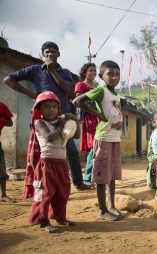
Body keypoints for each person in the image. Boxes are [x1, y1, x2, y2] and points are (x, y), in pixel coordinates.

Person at [3, 41, 92, 196]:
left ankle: (77, 182)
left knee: (70, 150)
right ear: (42, 55)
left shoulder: (64, 72)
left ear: (58, 54)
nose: (50, 55)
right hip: (42, 119)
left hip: (63, 118)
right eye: (47, 52)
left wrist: (53, 72)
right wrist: (33, 95)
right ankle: (40, 185)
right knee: (41, 152)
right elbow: (8, 80)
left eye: (53, 52)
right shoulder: (34, 70)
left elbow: (71, 92)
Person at [73, 60, 123, 221]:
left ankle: (112, 206)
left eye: (117, 74)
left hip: (114, 139)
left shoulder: (115, 94)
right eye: (110, 74)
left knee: (112, 175)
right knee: (102, 177)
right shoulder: (100, 90)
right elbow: (77, 101)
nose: (114, 77)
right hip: (103, 139)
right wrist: (98, 114)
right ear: (102, 76)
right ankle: (102, 210)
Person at [29, 91, 79, 233]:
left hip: (62, 164)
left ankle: (60, 217)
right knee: (45, 192)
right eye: (46, 107)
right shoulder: (39, 123)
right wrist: (61, 124)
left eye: (54, 107)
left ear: (58, 109)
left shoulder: (61, 122)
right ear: (39, 110)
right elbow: (50, 137)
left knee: (62, 192)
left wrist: (74, 120)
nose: (51, 110)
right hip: (46, 164)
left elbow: (77, 135)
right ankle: (43, 221)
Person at [74, 63, 99, 183]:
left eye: (95, 71)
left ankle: (93, 176)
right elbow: (79, 101)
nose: (93, 73)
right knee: (94, 148)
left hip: (98, 119)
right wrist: (93, 109)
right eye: (91, 71)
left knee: (97, 148)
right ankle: (87, 178)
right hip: (89, 119)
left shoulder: (95, 88)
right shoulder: (80, 85)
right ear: (84, 72)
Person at [0, 102, 14, 202]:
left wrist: (2, 120)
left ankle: (3, 195)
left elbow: (10, 123)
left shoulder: (1, 106)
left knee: (1, 168)